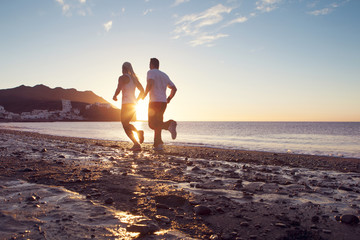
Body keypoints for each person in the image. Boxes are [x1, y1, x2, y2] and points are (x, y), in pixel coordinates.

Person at [143, 58, 177, 151]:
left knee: (152, 124)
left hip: (154, 102)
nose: (149, 66)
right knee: (158, 123)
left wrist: (144, 94)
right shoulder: (164, 75)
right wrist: (169, 98)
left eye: (149, 64)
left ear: (152, 64)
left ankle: (169, 124)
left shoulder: (150, 72)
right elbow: (174, 88)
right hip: (163, 102)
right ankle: (158, 144)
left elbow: (150, 83)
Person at [113, 62, 144, 151]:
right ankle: (138, 135)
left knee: (124, 124)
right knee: (126, 123)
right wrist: (136, 100)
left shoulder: (122, 78)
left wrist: (115, 96)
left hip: (126, 104)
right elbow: (142, 91)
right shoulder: (134, 79)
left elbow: (119, 88)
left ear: (123, 69)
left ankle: (136, 143)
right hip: (133, 105)